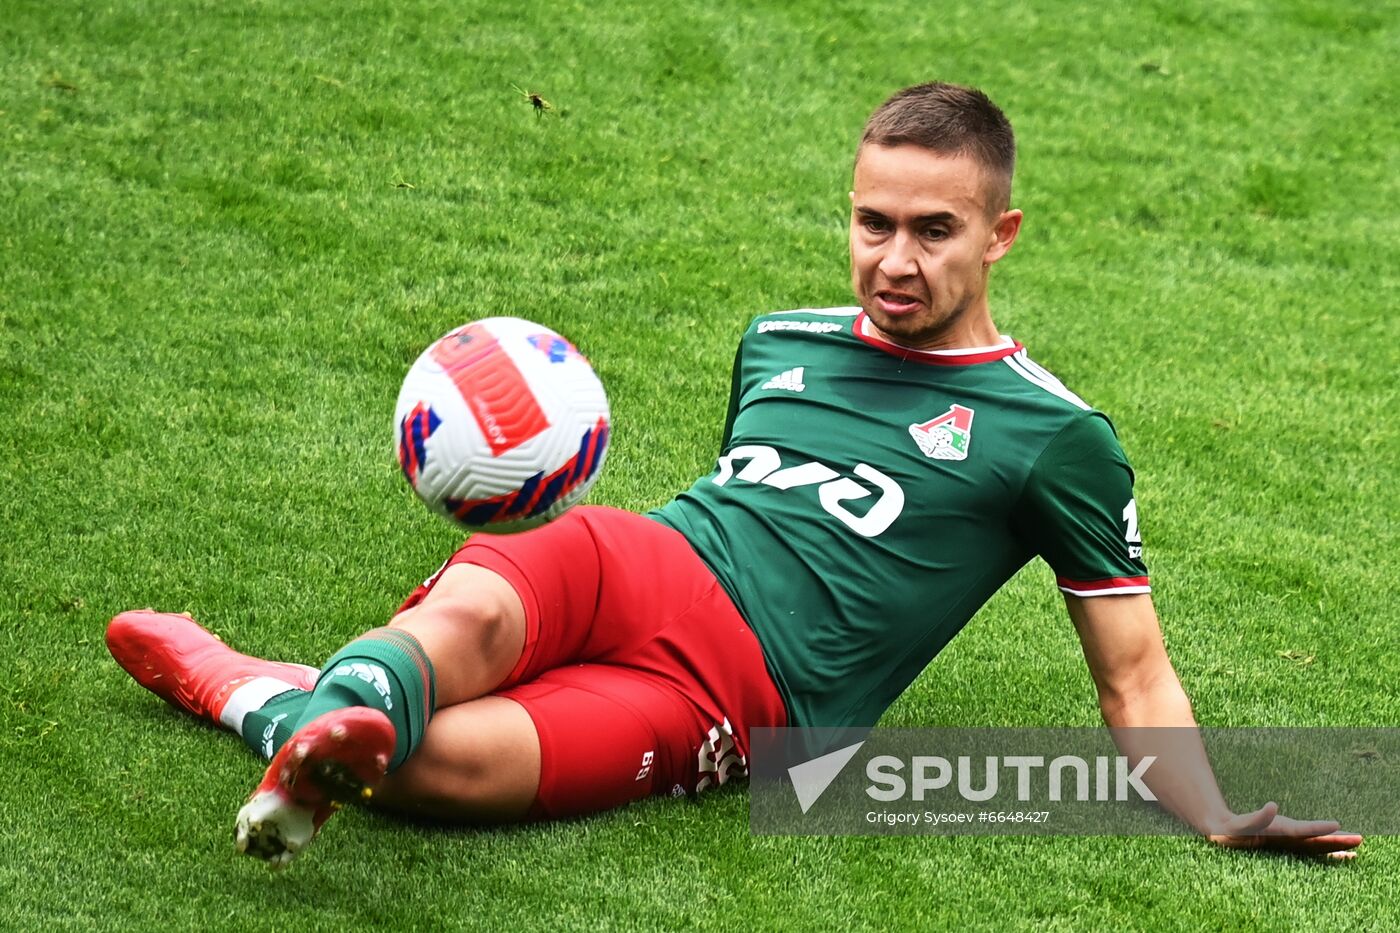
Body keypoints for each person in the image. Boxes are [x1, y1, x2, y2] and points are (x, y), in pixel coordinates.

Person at [107, 82, 1361, 867]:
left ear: (998, 234)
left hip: (756, 705)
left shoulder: (1054, 436)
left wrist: (1213, 809)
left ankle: (243, 688)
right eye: (873, 222)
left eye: (933, 230)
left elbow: (1130, 670)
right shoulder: (780, 340)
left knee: (436, 776)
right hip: (642, 559)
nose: (894, 258)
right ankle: (331, 701)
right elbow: (735, 503)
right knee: (476, 616)